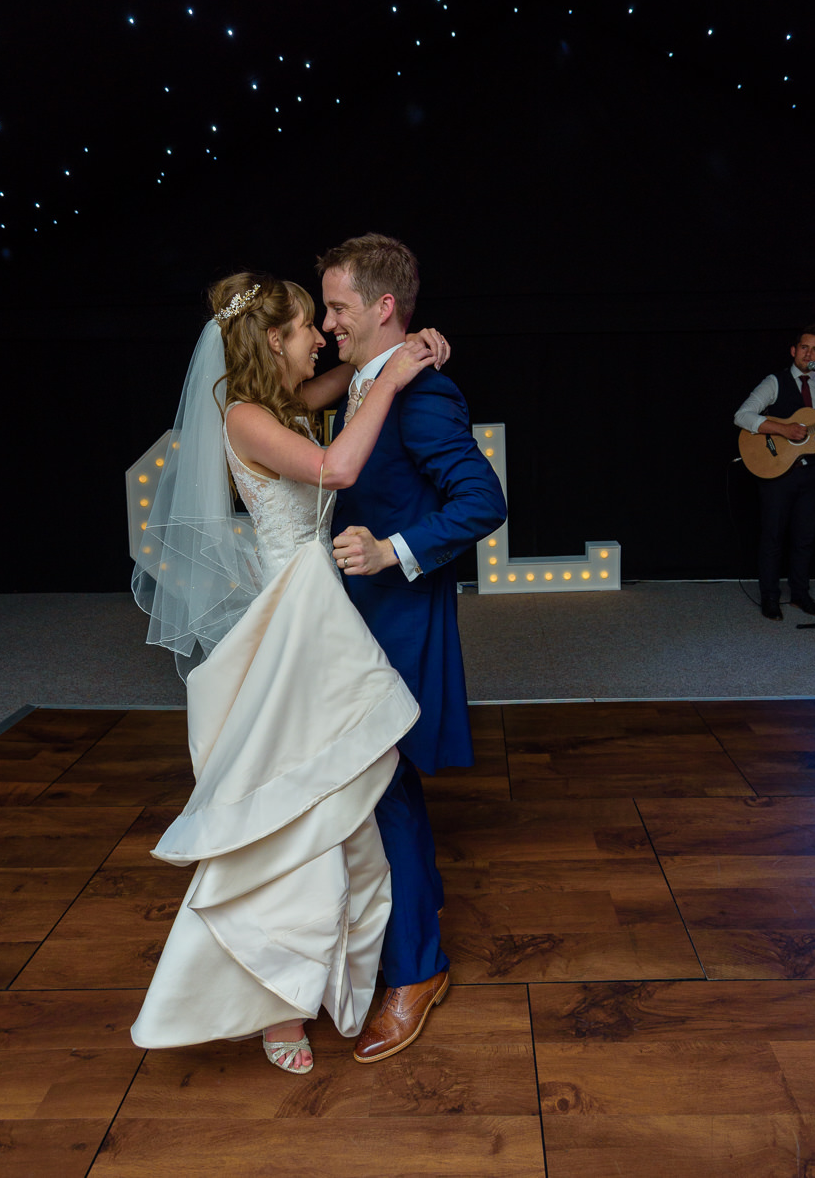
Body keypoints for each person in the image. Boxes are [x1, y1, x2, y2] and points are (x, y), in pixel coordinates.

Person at [130, 272, 449, 1073]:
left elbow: (352, 373)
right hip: (291, 623)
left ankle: (329, 974)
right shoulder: (244, 416)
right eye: (310, 325)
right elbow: (336, 469)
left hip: (319, 614)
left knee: (339, 802)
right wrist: (388, 381)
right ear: (275, 339)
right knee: (293, 813)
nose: (321, 339)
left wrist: (403, 352)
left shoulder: (283, 399)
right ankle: (274, 1007)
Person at [316, 234, 507, 1063]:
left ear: (383, 308)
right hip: (343, 618)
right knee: (375, 792)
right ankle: (402, 950)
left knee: (382, 787)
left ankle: (418, 970)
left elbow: (481, 499)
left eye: (338, 309)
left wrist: (392, 549)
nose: (326, 324)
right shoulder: (367, 379)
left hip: (391, 621)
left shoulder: (423, 394)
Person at [734, 327, 815, 621]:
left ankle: (800, 595)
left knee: (805, 537)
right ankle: (770, 597)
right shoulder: (774, 381)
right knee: (773, 536)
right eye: (804, 348)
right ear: (793, 350)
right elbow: (742, 415)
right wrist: (783, 429)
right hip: (778, 471)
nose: (808, 354)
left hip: (813, 472)